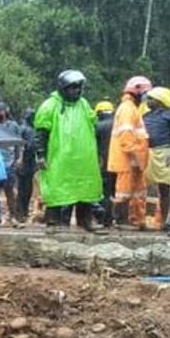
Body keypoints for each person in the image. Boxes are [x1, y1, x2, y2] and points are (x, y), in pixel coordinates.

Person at [34, 70, 105, 232]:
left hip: (83, 156)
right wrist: (41, 154)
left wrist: (99, 153)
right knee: (57, 187)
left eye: (78, 88)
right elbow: (41, 133)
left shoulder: (84, 104)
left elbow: (93, 127)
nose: (76, 91)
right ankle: (53, 222)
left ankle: (85, 220)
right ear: (63, 88)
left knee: (85, 188)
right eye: (72, 88)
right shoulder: (50, 105)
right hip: (59, 156)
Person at [108, 76, 152, 229]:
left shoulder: (132, 108)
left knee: (136, 192)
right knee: (125, 191)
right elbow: (126, 136)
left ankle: (135, 220)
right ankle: (121, 220)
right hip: (128, 159)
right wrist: (135, 154)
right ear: (137, 91)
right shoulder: (127, 109)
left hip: (134, 159)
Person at [143, 87, 170, 229]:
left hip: (165, 153)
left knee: (165, 188)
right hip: (147, 153)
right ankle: (140, 218)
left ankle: (164, 220)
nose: (148, 101)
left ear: (160, 101)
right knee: (141, 187)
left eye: (151, 99)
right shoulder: (145, 116)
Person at [93, 101, 116, 227]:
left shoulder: (97, 125)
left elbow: (93, 147)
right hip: (119, 163)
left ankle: (104, 219)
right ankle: (117, 217)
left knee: (104, 191)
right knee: (116, 191)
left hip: (103, 162)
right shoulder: (119, 123)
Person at [14, 108, 38, 224]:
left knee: (23, 188)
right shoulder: (27, 129)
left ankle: (22, 212)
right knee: (24, 188)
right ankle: (21, 212)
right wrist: (20, 159)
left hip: (27, 161)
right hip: (25, 161)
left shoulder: (25, 128)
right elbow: (24, 145)